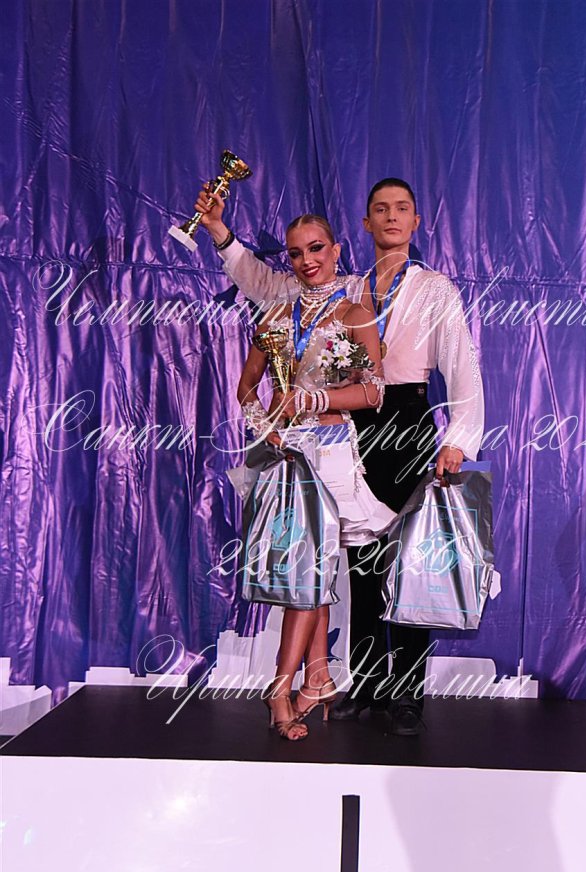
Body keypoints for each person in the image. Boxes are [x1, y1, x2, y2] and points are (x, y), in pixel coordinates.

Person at [195, 178, 485, 736]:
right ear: (365, 224)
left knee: (408, 557)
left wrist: (459, 438)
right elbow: (264, 284)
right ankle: (368, 684)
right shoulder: (346, 287)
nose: (391, 217)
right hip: (349, 424)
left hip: (405, 418)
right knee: (358, 562)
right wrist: (220, 233)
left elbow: (462, 365)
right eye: (380, 209)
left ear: (416, 221)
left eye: (402, 208)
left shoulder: (435, 289)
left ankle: (407, 695)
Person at [224, 209, 394, 741]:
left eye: (316, 248)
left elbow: (374, 392)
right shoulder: (277, 316)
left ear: (336, 250)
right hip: (288, 459)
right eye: (296, 253)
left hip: (334, 455)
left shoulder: (355, 313)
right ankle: (312, 679)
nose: (307, 260)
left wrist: (316, 399)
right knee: (306, 576)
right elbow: (246, 390)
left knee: (312, 575)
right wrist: (268, 429)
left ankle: (288, 686)